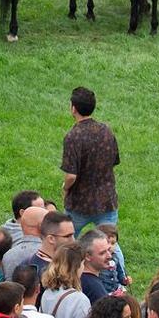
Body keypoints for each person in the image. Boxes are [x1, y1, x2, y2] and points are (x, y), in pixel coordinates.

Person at [59, 87, 119, 230]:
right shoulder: (106, 131)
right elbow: (113, 161)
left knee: (67, 242)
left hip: (79, 204)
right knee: (109, 244)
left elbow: (71, 176)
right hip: (107, 201)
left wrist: (65, 188)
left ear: (73, 109)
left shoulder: (73, 137)